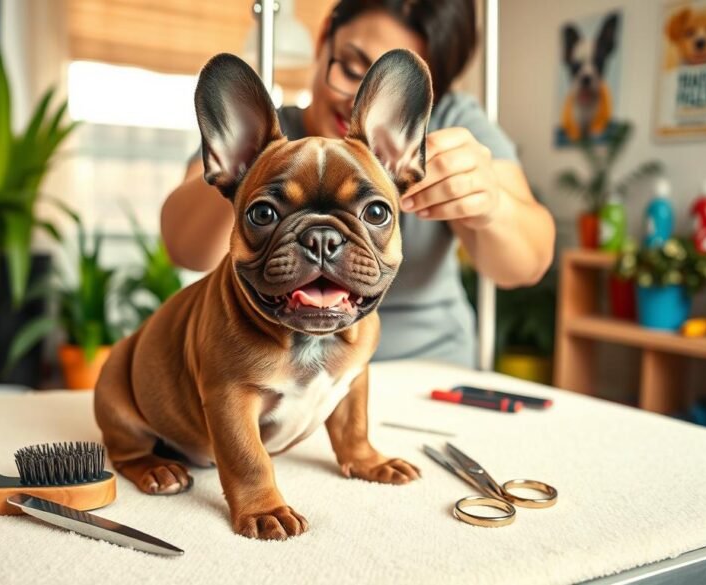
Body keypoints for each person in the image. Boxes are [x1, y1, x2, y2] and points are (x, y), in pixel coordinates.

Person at [161, 0, 555, 368]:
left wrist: (490, 204)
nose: (358, 102)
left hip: (423, 365)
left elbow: (528, 261)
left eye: (390, 92)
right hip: (280, 374)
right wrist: (249, 171)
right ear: (323, 40)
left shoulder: (450, 122)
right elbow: (184, 246)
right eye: (351, 69)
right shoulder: (264, 134)